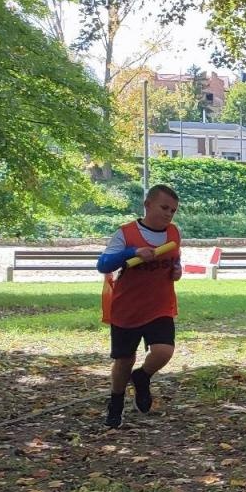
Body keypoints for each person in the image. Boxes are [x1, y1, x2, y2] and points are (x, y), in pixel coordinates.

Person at [97, 184, 182, 429]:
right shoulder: (125, 233)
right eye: (164, 207)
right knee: (124, 361)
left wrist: (177, 271)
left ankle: (142, 377)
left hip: (160, 306)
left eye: (173, 210)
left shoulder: (174, 233)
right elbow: (103, 265)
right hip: (127, 309)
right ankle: (116, 401)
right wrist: (132, 252)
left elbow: (175, 261)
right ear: (147, 205)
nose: (168, 214)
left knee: (164, 351)